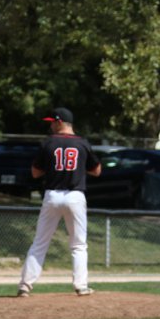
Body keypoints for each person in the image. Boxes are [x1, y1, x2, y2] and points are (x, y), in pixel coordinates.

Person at [17, 107, 101, 297]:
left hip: (52, 195)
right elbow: (97, 171)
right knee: (78, 244)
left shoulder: (48, 143)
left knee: (40, 242)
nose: (51, 125)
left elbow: (35, 172)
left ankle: (25, 286)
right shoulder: (82, 143)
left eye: (52, 122)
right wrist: (78, 167)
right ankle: (81, 286)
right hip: (75, 196)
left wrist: (53, 167)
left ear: (60, 122)